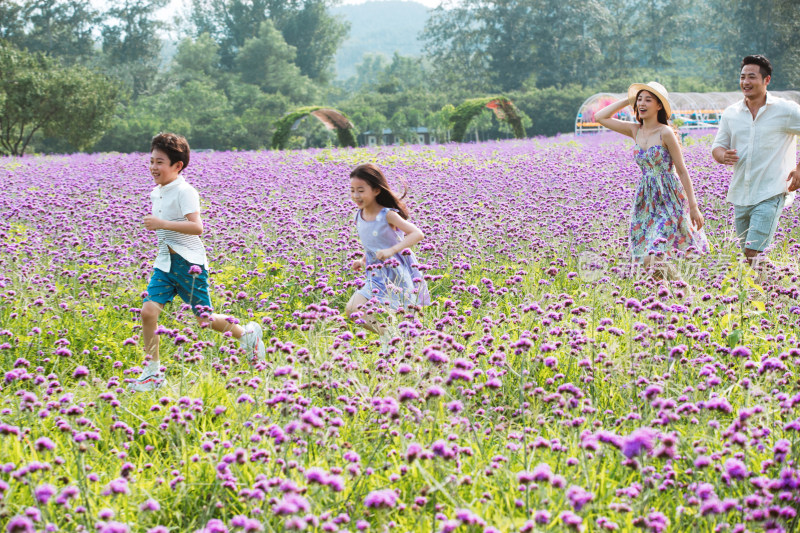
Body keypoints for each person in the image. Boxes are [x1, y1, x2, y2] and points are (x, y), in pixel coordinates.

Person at [130, 133, 265, 392]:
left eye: (159, 162)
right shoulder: (156, 193)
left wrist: (162, 224)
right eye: (151, 161)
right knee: (148, 313)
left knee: (204, 320)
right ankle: (152, 372)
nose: (153, 167)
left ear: (177, 166)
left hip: (189, 265)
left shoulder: (185, 191)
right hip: (164, 264)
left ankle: (247, 334)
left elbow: (197, 227)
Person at [595, 81, 708, 278]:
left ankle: (684, 290)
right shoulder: (635, 130)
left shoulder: (666, 132)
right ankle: (674, 297)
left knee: (652, 256)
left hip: (669, 198)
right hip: (646, 200)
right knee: (646, 260)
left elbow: (681, 170)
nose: (642, 104)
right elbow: (600, 117)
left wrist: (693, 206)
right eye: (639, 100)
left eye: (648, 99)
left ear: (659, 106)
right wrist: (628, 100)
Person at [711, 55, 800, 273]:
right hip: (742, 192)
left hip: (772, 191)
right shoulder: (731, 113)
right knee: (749, 255)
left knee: (753, 251)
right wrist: (723, 156)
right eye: (742, 77)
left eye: (752, 77)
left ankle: (768, 293)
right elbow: (717, 147)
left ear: (766, 80)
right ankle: (779, 282)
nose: (745, 82)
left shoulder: (786, 110)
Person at [345, 163, 430, 348]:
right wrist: (362, 260)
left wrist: (392, 250)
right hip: (375, 275)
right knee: (353, 309)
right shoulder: (359, 216)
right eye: (352, 190)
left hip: (397, 274)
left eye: (360, 190)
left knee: (407, 318)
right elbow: (372, 247)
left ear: (376, 190)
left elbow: (417, 234)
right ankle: (390, 334)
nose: (355, 195)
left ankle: (409, 349)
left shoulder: (387, 215)